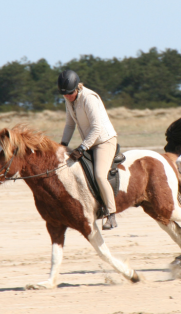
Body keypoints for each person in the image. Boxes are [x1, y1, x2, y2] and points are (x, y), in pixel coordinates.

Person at [58, 70, 119, 230]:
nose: (68, 96)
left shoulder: (89, 98)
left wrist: (83, 147)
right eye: (64, 94)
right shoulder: (68, 100)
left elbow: (97, 128)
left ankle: (111, 215)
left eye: (70, 93)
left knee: (99, 175)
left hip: (104, 141)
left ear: (77, 88)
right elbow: (70, 124)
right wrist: (63, 144)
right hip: (90, 142)